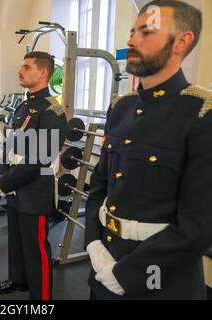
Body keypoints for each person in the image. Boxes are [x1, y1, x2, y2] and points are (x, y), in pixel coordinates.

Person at [85, 0, 212, 300]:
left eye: (146, 32)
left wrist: (129, 274)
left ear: (182, 41)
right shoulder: (121, 107)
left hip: (160, 280)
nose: (131, 40)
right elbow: (99, 185)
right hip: (104, 264)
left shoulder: (202, 114)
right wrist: (93, 243)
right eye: (132, 32)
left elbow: (199, 224)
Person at [0, 52, 68, 300]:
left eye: (27, 66)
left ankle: (41, 297)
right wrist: (3, 176)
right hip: (15, 183)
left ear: (43, 72)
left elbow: (39, 160)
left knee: (36, 248)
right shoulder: (25, 105)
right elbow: (10, 147)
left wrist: (5, 181)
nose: (20, 70)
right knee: (16, 239)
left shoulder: (52, 111)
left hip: (34, 188)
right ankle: (18, 279)